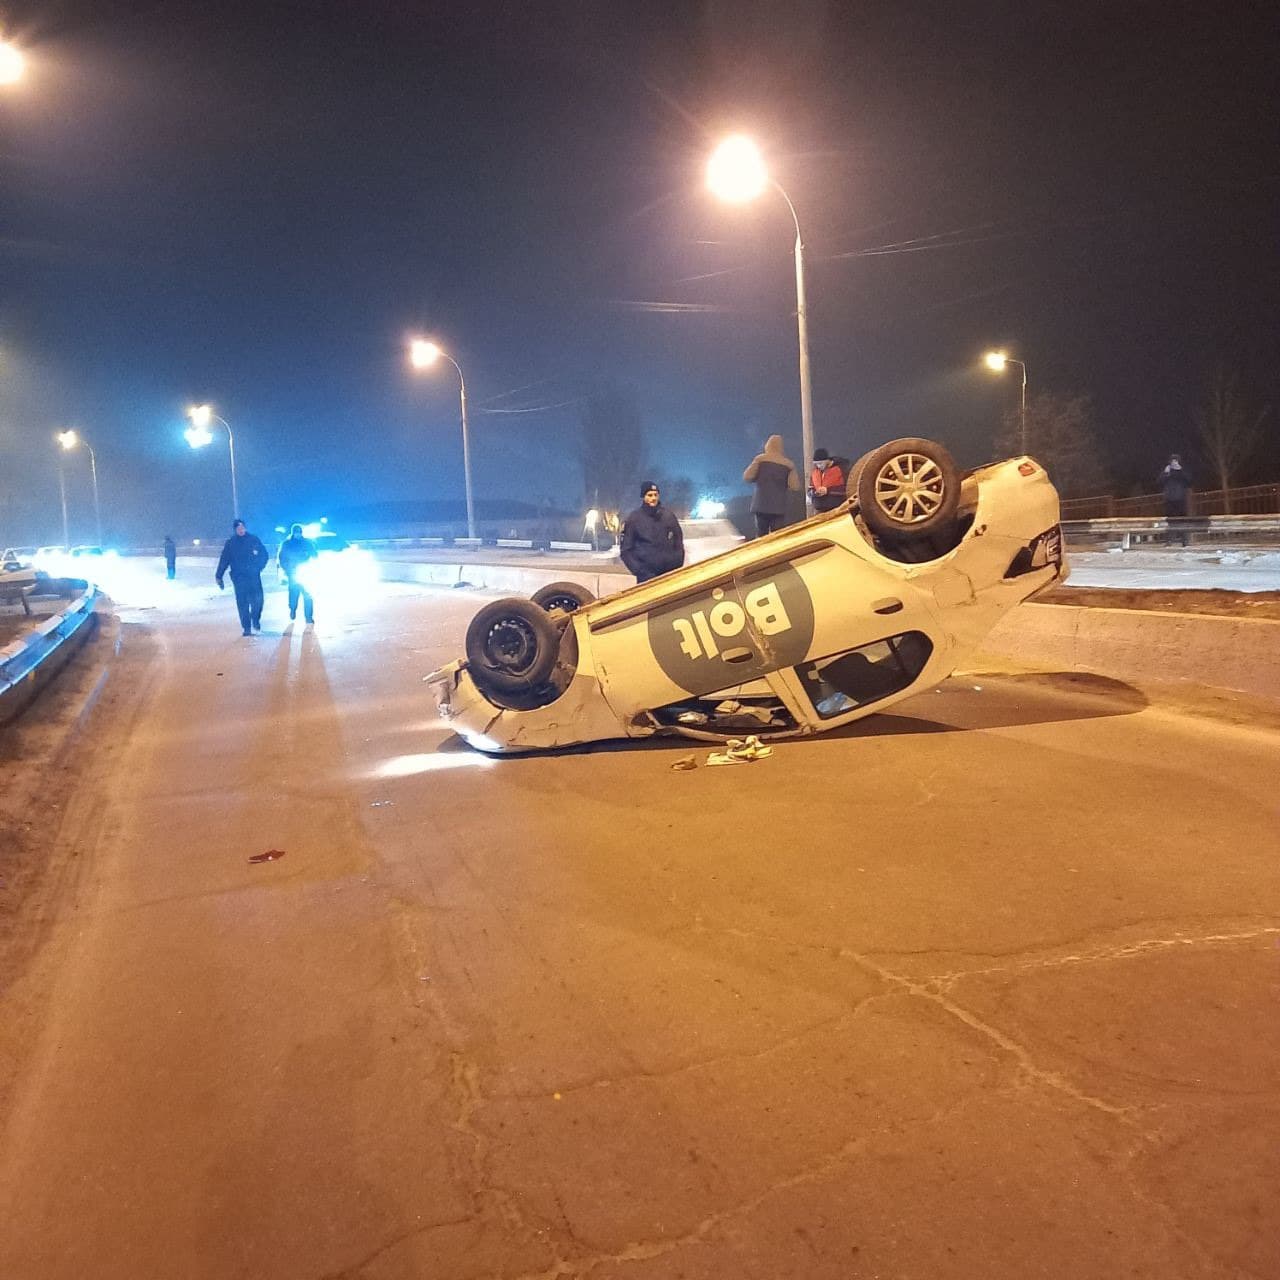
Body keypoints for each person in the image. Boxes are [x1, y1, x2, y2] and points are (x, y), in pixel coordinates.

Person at [620, 481, 685, 584]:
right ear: (643, 496)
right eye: (649, 495)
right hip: (646, 579)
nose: (653, 498)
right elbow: (626, 551)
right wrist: (640, 571)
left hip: (670, 576)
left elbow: (678, 541)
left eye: (656, 495)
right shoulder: (634, 519)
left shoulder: (668, 516)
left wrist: (677, 563)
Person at [215, 518, 269, 636]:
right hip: (239, 578)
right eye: (238, 528)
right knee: (242, 603)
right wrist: (219, 576)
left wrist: (258, 568)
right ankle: (246, 627)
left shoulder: (253, 540)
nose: (241, 530)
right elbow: (224, 560)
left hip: (253, 576)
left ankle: (255, 619)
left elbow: (264, 555)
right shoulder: (231, 543)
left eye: (242, 527)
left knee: (258, 601)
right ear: (235, 530)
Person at [743, 434, 800, 536]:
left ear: (767, 445)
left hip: (760, 505)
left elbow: (747, 477)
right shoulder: (789, 464)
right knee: (777, 537)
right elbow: (795, 486)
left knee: (761, 535)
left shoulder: (760, 460)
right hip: (778, 507)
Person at [277, 522, 317, 624]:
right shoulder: (287, 544)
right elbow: (282, 558)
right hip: (293, 572)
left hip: (306, 572)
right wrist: (287, 569)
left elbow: (314, 555)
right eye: (296, 532)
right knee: (294, 593)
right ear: (293, 533)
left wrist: (313, 562)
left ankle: (308, 616)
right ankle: (293, 609)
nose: (298, 534)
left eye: (299, 532)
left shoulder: (307, 543)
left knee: (308, 595)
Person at [1158, 453, 1193, 547]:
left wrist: (1181, 470)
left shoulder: (1182, 470)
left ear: (1178, 461)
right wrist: (1165, 473)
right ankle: (1169, 540)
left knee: (1182, 520)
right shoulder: (1167, 471)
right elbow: (1159, 482)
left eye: (1176, 460)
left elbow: (1189, 481)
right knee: (1170, 520)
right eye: (1172, 461)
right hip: (1169, 499)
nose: (1174, 462)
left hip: (1181, 499)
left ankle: (1185, 541)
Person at [809, 448, 849, 513]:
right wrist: (815, 493)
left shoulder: (841, 469)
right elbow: (810, 489)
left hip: (837, 510)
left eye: (820, 463)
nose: (818, 466)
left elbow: (847, 488)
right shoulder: (815, 472)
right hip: (819, 511)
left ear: (827, 460)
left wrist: (828, 490)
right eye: (816, 464)